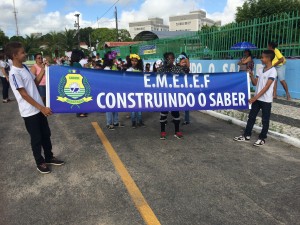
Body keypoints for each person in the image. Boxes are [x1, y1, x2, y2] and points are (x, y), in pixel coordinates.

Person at [5, 42, 64, 174]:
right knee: (36, 138)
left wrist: (43, 69)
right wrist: (42, 108)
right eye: (22, 52)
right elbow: (24, 95)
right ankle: (40, 162)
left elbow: (35, 82)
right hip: (30, 112)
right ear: (14, 55)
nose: (25, 54)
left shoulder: (25, 67)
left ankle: (49, 157)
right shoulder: (14, 73)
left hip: (39, 109)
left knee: (46, 135)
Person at [234, 50, 277, 147]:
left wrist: (254, 98)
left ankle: (262, 138)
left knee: (265, 120)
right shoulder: (260, 69)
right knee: (251, 117)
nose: (261, 59)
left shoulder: (273, 71)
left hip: (266, 100)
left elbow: (266, 87)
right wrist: (251, 75)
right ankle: (246, 135)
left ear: (268, 59)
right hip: (257, 99)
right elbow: (255, 83)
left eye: (263, 57)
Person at [158, 52, 184, 140]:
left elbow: (185, 79)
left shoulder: (178, 69)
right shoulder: (161, 70)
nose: (171, 60)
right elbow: (155, 81)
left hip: (175, 96)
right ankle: (162, 131)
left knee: (176, 114)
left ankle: (177, 131)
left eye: (172, 58)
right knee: (163, 114)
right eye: (168, 59)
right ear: (165, 59)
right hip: (164, 96)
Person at [103, 51, 124, 130]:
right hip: (108, 89)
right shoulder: (106, 69)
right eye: (114, 58)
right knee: (109, 107)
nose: (115, 59)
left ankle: (115, 122)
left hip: (115, 89)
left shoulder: (114, 67)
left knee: (115, 105)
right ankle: (109, 123)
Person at [126, 54, 146, 128]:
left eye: (135, 61)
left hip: (139, 91)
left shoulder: (140, 70)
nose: (134, 62)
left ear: (138, 62)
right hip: (131, 91)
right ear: (130, 61)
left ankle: (140, 121)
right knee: (133, 108)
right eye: (132, 61)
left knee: (139, 107)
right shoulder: (128, 70)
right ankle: (133, 122)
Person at [70, 49, 88, 118]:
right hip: (78, 82)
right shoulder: (77, 64)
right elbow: (83, 72)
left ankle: (79, 112)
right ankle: (80, 112)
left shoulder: (72, 64)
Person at [176, 53, 191, 125]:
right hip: (178, 89)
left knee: (186, 105)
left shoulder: (186, 69)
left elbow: (188, 65)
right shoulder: (176, 68)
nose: (184, 63)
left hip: (185, 89)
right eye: (183, 62)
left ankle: (186, 120)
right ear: (179, 63)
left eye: (185, 62)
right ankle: (176, 118)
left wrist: (186, 58)